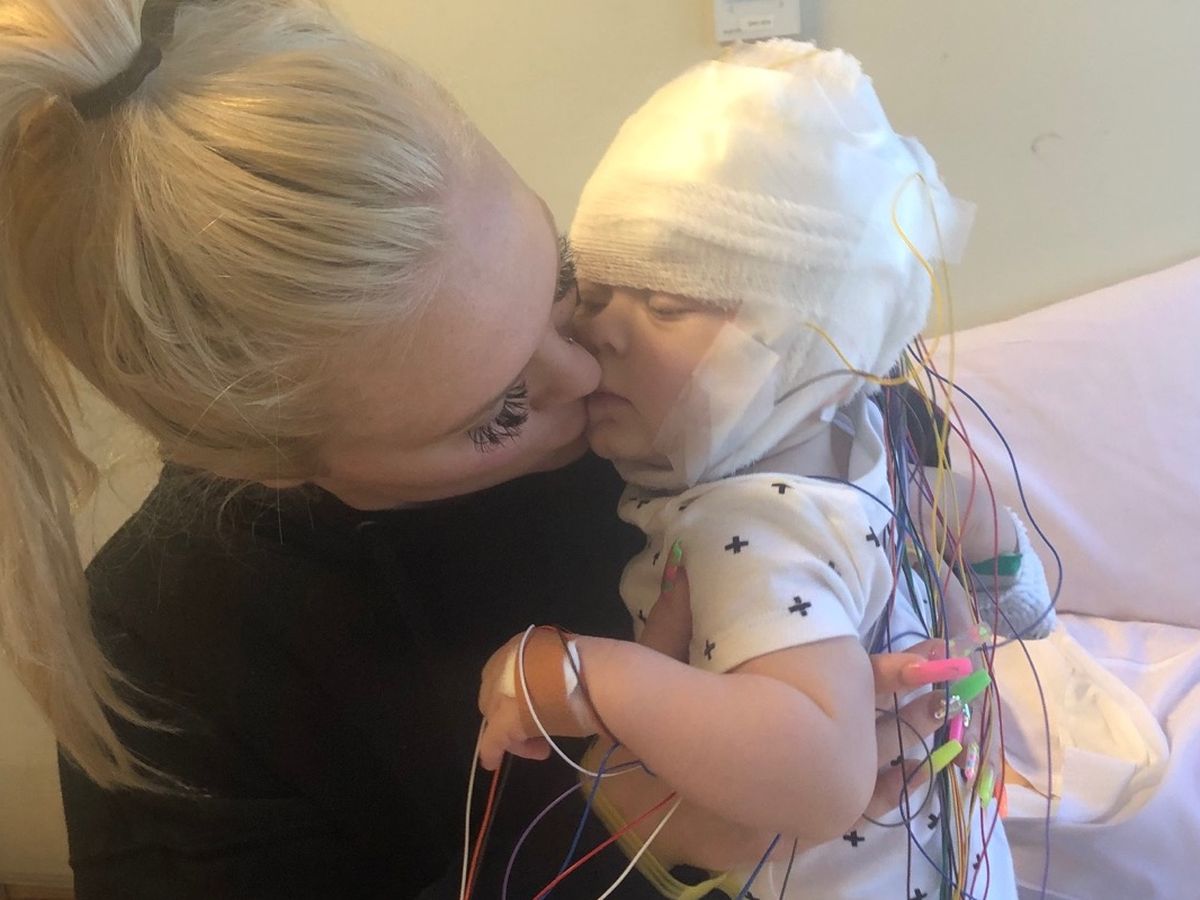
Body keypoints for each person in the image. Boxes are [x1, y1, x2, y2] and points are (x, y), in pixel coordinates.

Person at [1, 2, 1003, 897]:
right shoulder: (168, 654)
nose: (589, 367)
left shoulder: (640, 361)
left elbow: (887, 450)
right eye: (499, 410)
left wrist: (936, 601)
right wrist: (625, 837)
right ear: (264, 463)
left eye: (562, 276)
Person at [477, 41, 1055, 898]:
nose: (602, 332)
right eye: (591, 295)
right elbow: (957, 506)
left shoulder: (744, 527)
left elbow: (821, 774)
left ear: (804, 345)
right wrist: (1016, 589)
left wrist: (585, 675)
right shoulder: (858, 438)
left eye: (665, 304)